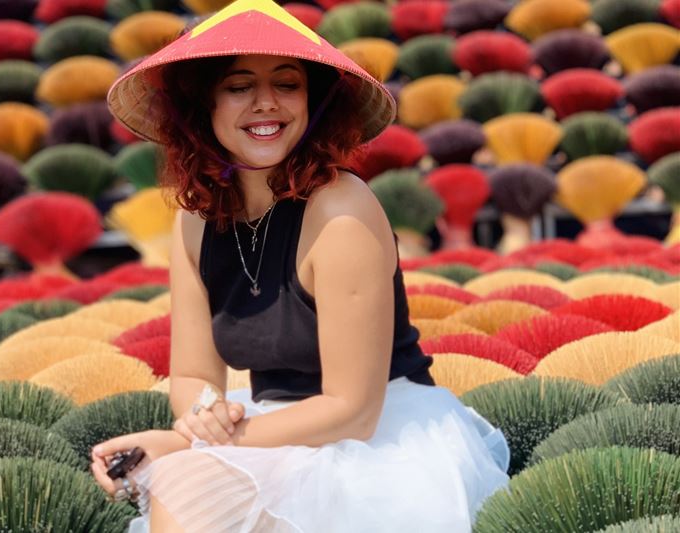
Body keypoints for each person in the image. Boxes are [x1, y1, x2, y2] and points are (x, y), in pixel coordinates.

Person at [91, 0, 510, 531]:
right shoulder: (194, 222)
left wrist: (184, 442)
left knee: (186, 483)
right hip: (272, 427)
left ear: (314, 101)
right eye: (240, 86)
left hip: (379, 438)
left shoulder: (340, 209)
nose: (266, 104)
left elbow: (352, 411)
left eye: (287, 85)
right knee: (186, 488)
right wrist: (203, 415)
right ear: (204, 106)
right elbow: (196, 374)